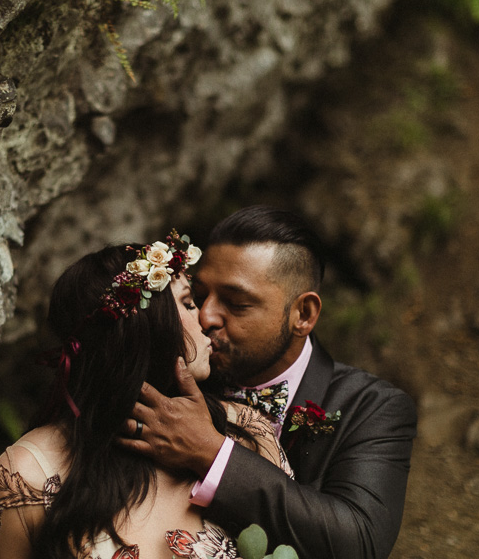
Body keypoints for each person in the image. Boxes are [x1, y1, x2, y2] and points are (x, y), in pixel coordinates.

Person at [118, 207, 418, 559]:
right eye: (199, 296)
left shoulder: (373, 407)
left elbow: (359, 541)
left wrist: (213, 454)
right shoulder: (174, 375)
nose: (206, 316)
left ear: (303, 315)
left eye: (236, 303)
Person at [0, 234, 293, 559]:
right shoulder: (25, 473)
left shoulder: (246, 430)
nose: (206, 320)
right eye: (189, 303)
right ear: (146, 325)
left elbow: (309, 539)